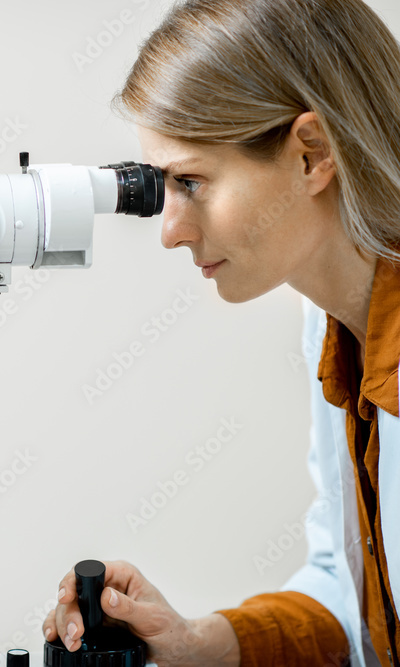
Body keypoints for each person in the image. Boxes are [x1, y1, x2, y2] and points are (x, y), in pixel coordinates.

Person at [43, 0, 400, 665]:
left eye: (192, 182)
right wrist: (194, 642)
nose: (170, 229)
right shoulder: (335, 326)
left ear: (311, 156)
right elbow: (357, 603)